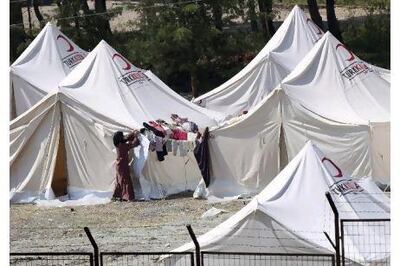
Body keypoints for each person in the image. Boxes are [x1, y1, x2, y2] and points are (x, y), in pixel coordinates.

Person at [112, 130, 140, 202]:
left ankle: (117, 196)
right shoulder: (122, 146)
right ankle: (129, 197)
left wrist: (133, 133)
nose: (124, 136)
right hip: (122, 165)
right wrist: (136, 136)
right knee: (126, 181)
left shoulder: (118, 144)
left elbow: (127, 138)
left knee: (120, 181)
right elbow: (134, 144)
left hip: (120, 165)